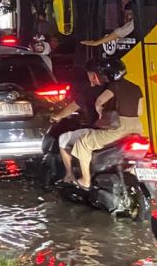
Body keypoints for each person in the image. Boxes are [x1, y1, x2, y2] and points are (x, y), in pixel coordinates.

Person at [59, 59, 143, 189]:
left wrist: (101, 113)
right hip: (137, 128)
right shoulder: (136, 88)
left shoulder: (113, 86)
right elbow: (140, 111)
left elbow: (99, 101)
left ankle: (85, 181)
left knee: (83, 143)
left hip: (118, 128)